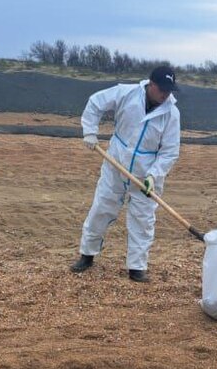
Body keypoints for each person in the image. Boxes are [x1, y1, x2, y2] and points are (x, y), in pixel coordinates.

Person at [71, 66, 181, 282]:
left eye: (170, 90)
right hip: (116, 163)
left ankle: (137, 267)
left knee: (143, 219)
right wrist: (90, 132)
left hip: (146, 175)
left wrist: (153, 176)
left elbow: (170, 151)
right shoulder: (126, 93)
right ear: (152, 84)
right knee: (101, 208)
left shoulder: (171, 114)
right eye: (163, 90)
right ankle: (87, 254)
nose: (166, 95)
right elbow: (95, 102)